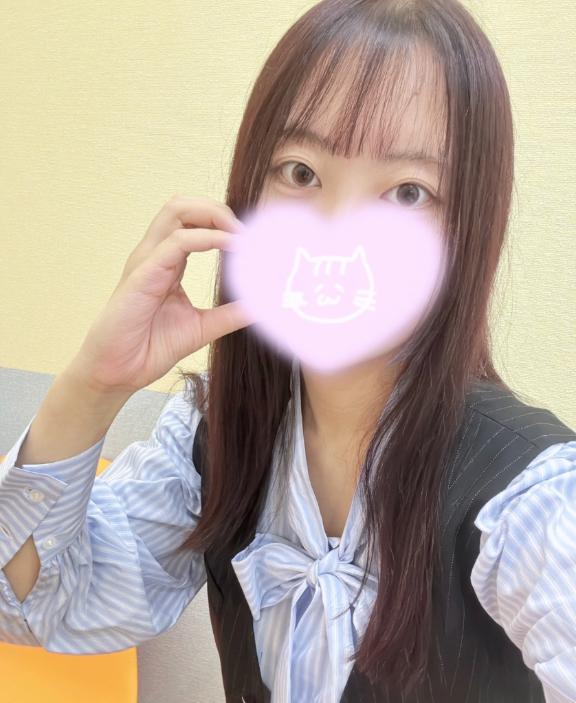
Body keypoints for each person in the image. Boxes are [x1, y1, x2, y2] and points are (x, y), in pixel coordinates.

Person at [1, 0, 575, 701]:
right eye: (301, 173)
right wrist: (94, 384)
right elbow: (36, 605)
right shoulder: (211, 436)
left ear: (467, 231)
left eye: (407, 192)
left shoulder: (530, 495)